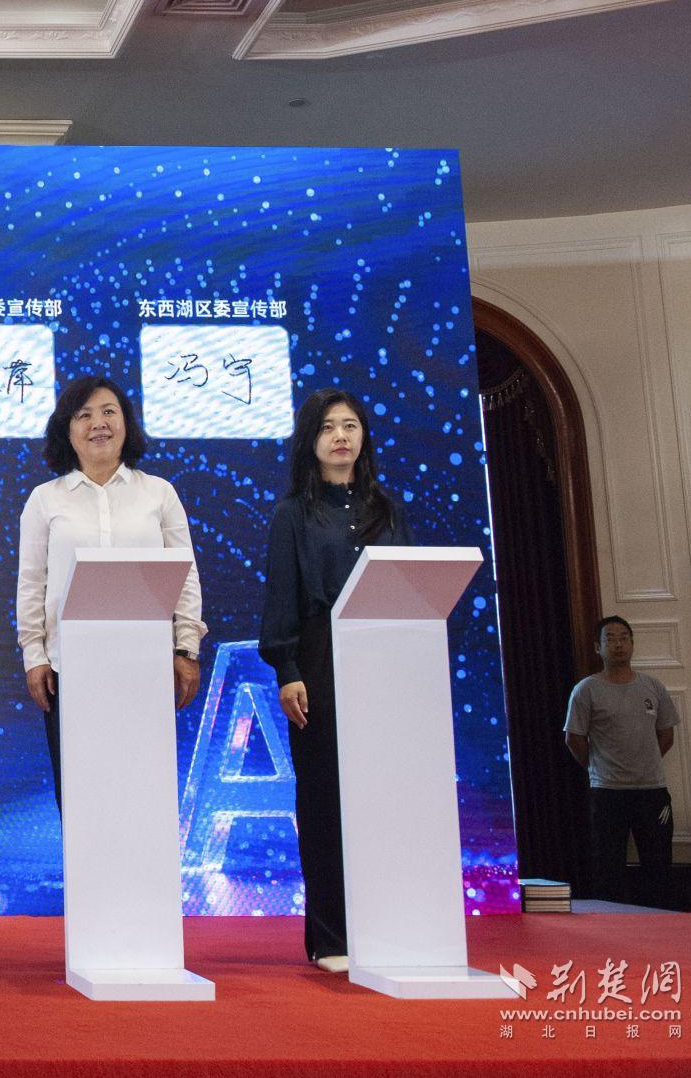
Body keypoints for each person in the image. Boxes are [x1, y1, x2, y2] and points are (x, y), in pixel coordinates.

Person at [257, 387, 412, 973]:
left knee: (383, 797)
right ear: (310, 441)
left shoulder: (388, 510)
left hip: (385, 660)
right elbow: (281, 600)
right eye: (327, 428)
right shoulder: (293, 514)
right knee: (324, 799)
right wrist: (288, 670)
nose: (341, 436)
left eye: (350, 425)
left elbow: (410, 586)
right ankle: (331, 937)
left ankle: (388, 924)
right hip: (320, 660)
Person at [16, 375, 206, 803]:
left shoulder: (159, 493)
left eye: (108, 412)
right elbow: (31, 584)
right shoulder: (45, 499)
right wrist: (34, 656)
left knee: (144, 793)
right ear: (67, 430)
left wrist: (187, 649)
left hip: (146, 666)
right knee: (82, 796)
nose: (98, 424)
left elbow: (185, 576)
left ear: (126, 423)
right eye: (84, 415)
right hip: (68, 668)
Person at [564, 616, 677, 907]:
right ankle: (611, 925)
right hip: (607, 793)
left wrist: (642, 763)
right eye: (610, 639)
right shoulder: (586, 689)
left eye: (624, 638)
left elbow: (666, 735)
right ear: (598, 648)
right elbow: (574, 739)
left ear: (632, 644)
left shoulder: (653, 687)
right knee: (608, 867)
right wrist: (598, 767)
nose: (618, 644)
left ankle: (660, 923)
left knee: (658, 866)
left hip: (652, 792)